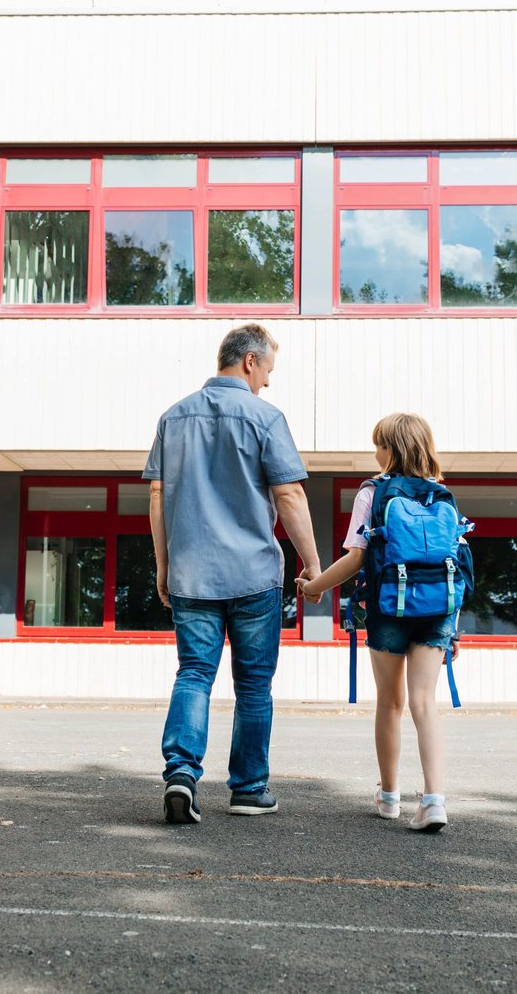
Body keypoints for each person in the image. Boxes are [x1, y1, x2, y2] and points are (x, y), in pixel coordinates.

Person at [144, 323, 321, 825]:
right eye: (267, 370)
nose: (268, 381)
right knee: (254, 684)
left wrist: (164, 564)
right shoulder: (266, 418)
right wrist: (313, 566)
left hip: (192, 573)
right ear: (249, 361)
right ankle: (248, 788)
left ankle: (181, 773)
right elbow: (289, 495)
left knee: (194, 674)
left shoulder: (172, 418)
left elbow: (156, 496)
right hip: (253, 576)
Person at [297, 413, 456, 833]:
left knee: (390, 701)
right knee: (425, 702)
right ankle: (434, 800)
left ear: (393, 448)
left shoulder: (374, 491)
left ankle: (389, 797)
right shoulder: (442, 495)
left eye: (379, 444)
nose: (375, 451)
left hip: (388, 607)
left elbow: (356, 557)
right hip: (438, 609)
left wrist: (315, 586)